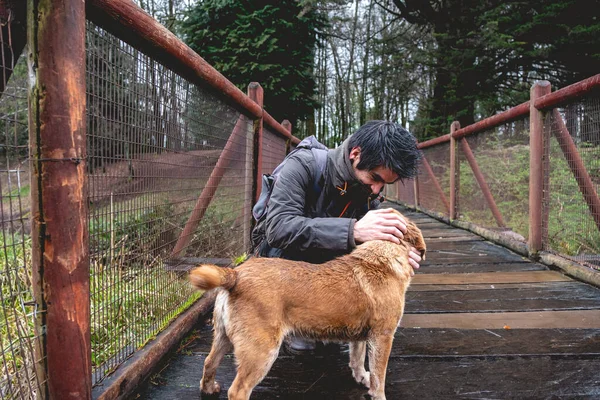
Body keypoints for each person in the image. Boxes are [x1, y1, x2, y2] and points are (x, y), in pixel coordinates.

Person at [252, 120, 423, 352]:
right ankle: (298, 319)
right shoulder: (303, 165)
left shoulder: (366, 188)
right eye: (375, 178)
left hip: (327, 271)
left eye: (385, 184)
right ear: (355, 153)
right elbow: (278, 228)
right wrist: (353, 230)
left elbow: (376, 236)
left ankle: (333, 317)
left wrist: (402, 251)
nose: (376, 190)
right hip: (283, 267)